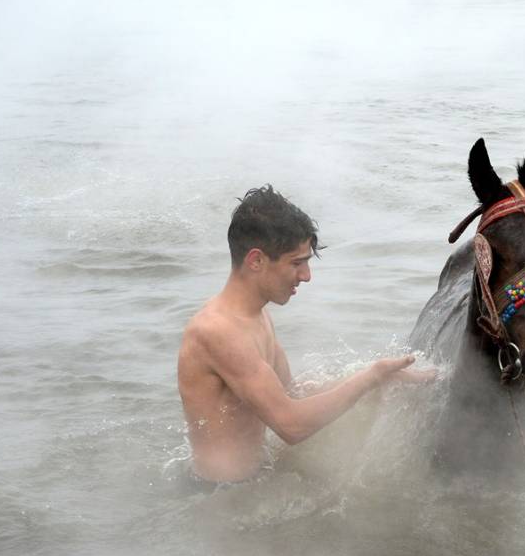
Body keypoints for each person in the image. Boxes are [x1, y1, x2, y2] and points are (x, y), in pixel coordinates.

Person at [177, 186, 434, 483]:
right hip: (218, 498)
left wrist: (381, 378)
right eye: (296, 263)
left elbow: (291, 394)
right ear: (256, 260)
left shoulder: (256, 317)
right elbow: (291, 426)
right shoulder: (217, 331)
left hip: (252, 483)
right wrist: (371, 376)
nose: (306, 276)